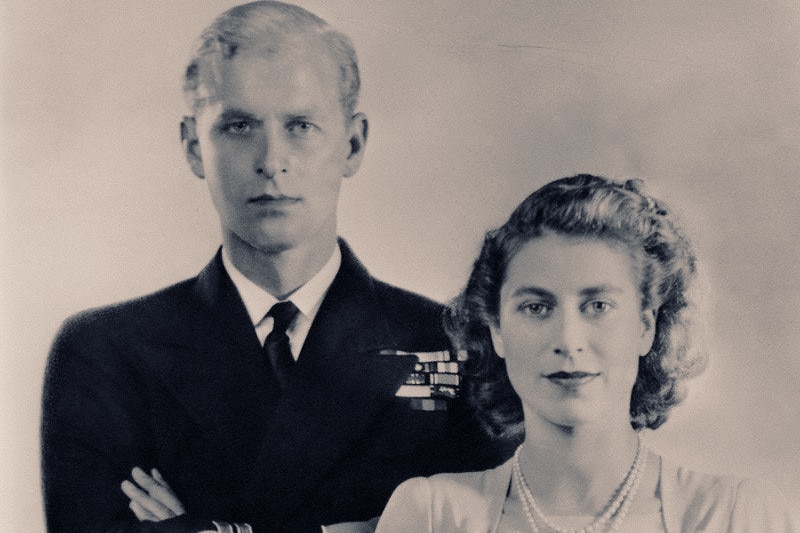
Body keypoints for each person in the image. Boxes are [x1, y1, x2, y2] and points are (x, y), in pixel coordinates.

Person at [40, 3, 509, 532]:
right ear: (195, 146)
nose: (271, 159)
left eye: (301, 125)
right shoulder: (106, 352)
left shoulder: (453, 344)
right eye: (238, 126)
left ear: (352, 144)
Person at [375, 174, 797, 532]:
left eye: (598, 306)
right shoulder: (433, 516)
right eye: (536, 307)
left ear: (645, 327)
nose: (568, 339)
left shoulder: (733, 516)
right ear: (498, 331)